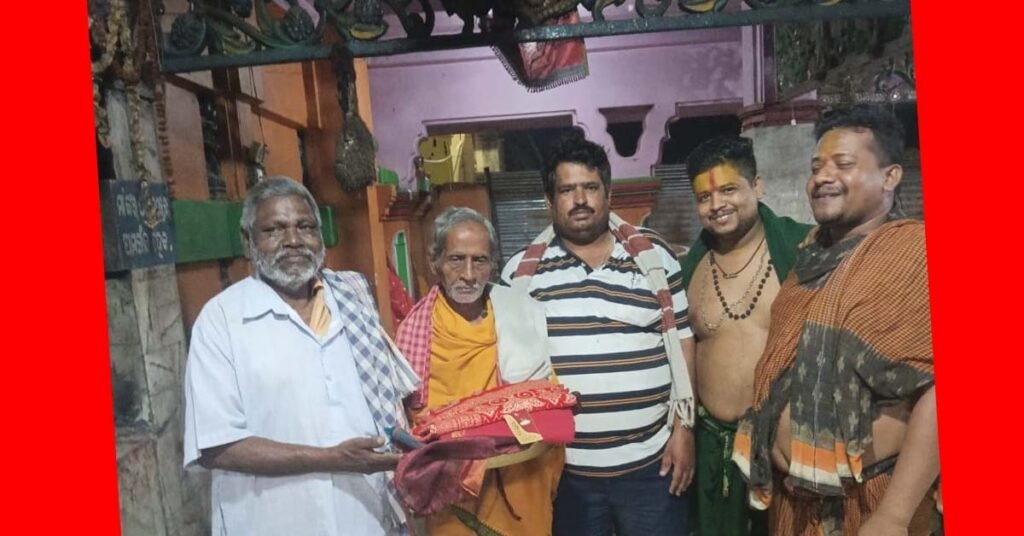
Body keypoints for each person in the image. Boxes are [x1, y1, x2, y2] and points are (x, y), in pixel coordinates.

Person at [732, 105, 939, 535]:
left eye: (843, 164)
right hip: (794, 505)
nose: (822, 177)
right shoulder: (812, 255)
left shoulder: (913, 255)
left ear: (890, 177)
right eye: (816, 167)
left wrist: (894, 516)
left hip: (872, 502)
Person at [182, 176, 418, 536]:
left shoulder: (351, 300)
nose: (293, 240)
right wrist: (332, 460)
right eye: (274, 230)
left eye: (305, 227)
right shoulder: (223, 320)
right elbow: (217, 446)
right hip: (273, 521)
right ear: (248, 241)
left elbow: (386, 406)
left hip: (364, 516)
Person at [500, 135, 696, 536]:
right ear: (549, 201)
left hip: (652, 465)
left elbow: (683, 340)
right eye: (567, 190)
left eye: (590, 187)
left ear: (608, 193)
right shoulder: (520, 275)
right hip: (564, 471)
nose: (580, 200)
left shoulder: (655, 258)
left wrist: (685, 429)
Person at [395, 206, 563, 535]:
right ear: (435, 262)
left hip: (520, 478)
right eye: (456, 259)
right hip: (453, 490)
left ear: (493, 264)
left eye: (480, 260)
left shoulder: (521, 315)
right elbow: (415, 420)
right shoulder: (416, 333)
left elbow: (546, 397)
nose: (469, 274)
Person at [679, 137, 813, 536]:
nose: (716, 204)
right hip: (712, 449)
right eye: (704, 197)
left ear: (757, 186)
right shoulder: (688, 268)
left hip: (784, 451)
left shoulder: (802, 249)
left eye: (728, 189)